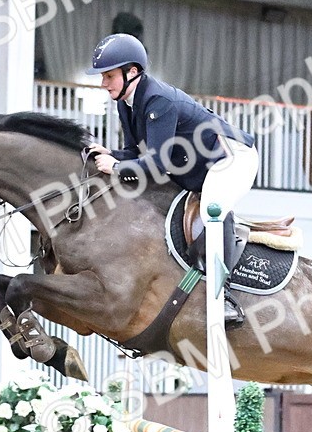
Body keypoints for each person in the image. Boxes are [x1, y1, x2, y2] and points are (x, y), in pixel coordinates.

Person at [85, 33, 259, 324]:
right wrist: (111, 154)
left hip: (232, 157)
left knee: (213, 209)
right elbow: (134, 152)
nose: (104, 83)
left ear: (132, 72)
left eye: (109, 76)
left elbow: (157, 164)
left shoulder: (158, 101)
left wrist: (115, 167)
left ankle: (224, 297)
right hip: (198, 165)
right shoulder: (125, 102)